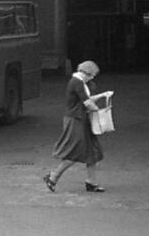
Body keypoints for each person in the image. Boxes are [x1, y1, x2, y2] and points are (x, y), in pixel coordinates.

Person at [44, 60, 108, 193]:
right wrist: (100, 113)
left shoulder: (82, 83)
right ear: (85, 72)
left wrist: (103, 95)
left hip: (81, 119)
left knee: (92, 151)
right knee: (75, 151)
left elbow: (87, 99)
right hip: (75, 120)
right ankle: (53, 176)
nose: (92, 78)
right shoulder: (77, 83)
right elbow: (88, 103)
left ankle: (91, 182)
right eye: (91, 75)